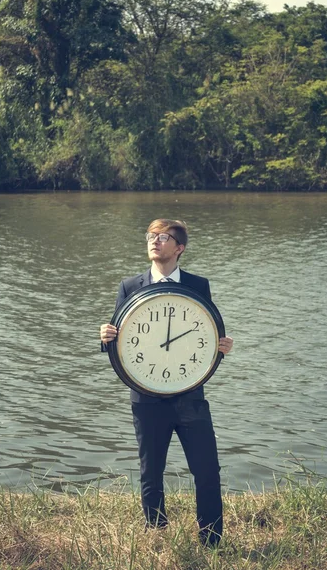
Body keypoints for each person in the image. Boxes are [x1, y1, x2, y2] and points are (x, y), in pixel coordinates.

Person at [100, 218, 233, 547]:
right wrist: (105, 337)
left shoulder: (198, 285)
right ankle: (157, 534)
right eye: (150, 235)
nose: (154, 241)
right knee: (151, 471)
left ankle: (211, 540)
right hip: (146, 396)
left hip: (189, 394)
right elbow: (121, 343)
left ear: (180, 248)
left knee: (206, 469)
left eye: (163, 236)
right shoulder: (130, 286)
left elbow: (206, 332)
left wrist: (222, 346)